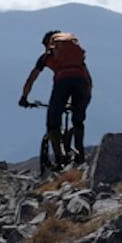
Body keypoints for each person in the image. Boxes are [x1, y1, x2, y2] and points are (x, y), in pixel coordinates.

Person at [18, 29, 92, 166]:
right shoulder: (76, 59)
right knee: (78, 121)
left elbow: (32, 78)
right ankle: (80, 154)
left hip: (62, 84)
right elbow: (88, 79)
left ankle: (59, 158)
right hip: (82, 85)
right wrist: (87, 96)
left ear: (50, 44)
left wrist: (24, 97)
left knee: (53, 123)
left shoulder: (47, 57)